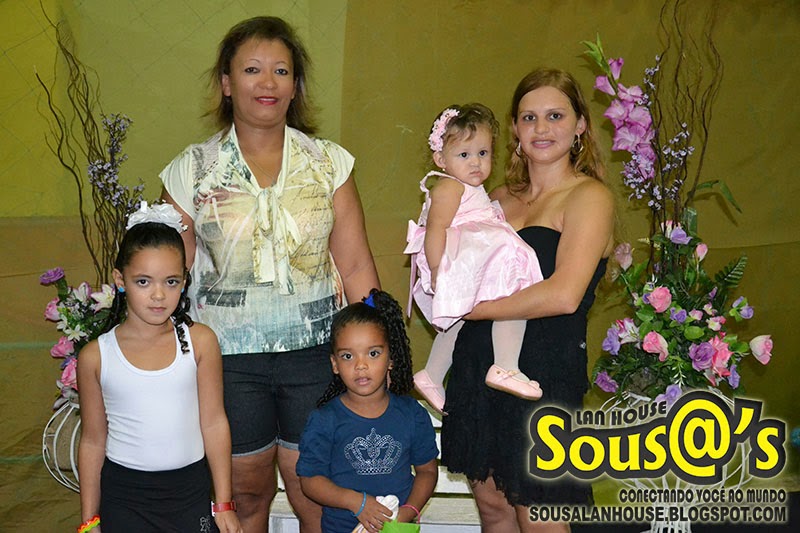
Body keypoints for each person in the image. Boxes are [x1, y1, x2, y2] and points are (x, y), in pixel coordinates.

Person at [159, 16, 380, 531]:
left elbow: (355, 265)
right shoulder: (192, 169)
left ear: (295, 86)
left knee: (316, 494)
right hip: (226, 361)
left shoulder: (330, 163)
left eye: (281, 71)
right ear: (226, 83)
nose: (268, 82)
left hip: (319, 355)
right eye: (252, 69)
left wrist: (378, 345)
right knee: (244, 493)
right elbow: (169, 277)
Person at [440, 68, 615, 533]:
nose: (541, 128)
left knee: (541, 517)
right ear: (514, 129)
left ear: (580, 125)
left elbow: (564, 294)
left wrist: (471, 308)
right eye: (529, 117)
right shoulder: (496, 198)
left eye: (555, 116)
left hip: (544, 374)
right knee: (494, 511)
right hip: (478, 366)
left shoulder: (589, 198)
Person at [77, 202, 242, 533]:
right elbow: (93, 440)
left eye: (170, 281)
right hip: (124, 499)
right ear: (120, 280)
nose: (158, 295)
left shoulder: (201, 342)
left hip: (190, 494)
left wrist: (223, 502)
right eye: (143, 281)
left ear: (184, 281)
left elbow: (214, 422)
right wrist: (89, 520)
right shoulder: (96, 356)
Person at [405, 103, 546, 414]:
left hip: (468, 255)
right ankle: (505, 365)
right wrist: (439, 269)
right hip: (459, 256)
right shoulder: (449, 187)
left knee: (456, 319)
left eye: (483, 153)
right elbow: (435, 229)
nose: (476, 163)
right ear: (441, 159)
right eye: (464, 155)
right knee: (513, 291)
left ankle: (432, 374)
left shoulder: (468, 187)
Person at [296, 289, 439, 533]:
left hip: (398, 528)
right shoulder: (324, 420)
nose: (361, 365)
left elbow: (427, 471)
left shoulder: (412, 414)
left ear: (390, 358)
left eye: (373, 353)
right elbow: (310, 481)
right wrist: (357, 503)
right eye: (348, 356)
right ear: (335, 364)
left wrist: (408, 512)